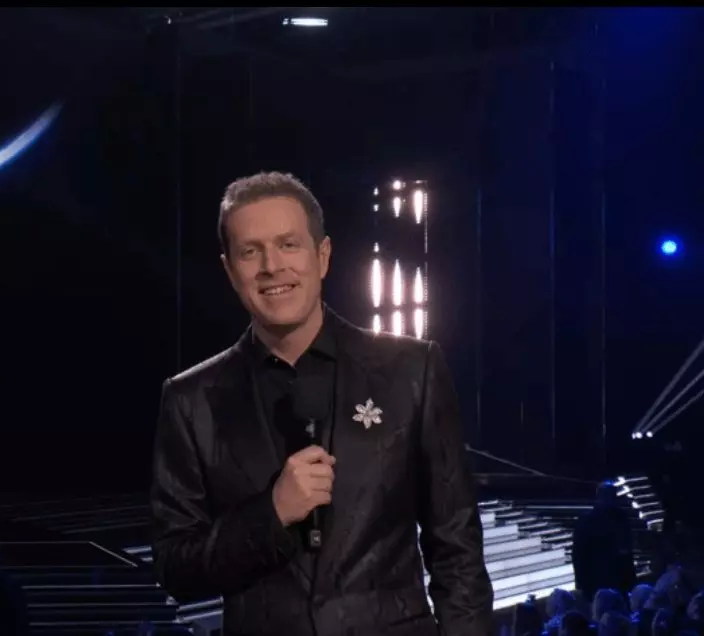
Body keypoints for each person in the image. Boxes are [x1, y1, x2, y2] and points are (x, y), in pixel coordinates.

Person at [149, 172, 492, 635]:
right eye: (250, 252)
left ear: (323, 255)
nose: (272, 266)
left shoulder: (413, 371)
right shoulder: (191, 400)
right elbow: (175, 566)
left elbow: (458, 552)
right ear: (230, 270)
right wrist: (271, 516)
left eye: (288, 244)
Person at [573, 483, 637, 602]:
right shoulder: (618, 518)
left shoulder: (620, 518)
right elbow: (579, 553)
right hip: (602, 579)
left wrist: (580, 582)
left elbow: (578, 553)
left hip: (610, 578)